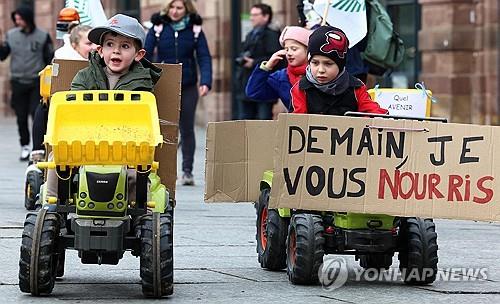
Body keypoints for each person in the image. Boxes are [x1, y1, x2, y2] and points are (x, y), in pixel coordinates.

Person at [46, 14, 162, 199]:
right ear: (100, 50)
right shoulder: (84, 77)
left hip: (125, 148)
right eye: (110, 45)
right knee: (56, 160)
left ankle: (141, 214)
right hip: (85, 143)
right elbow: (72, 111)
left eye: (124, 46)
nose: (116, 51)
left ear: (138, 54)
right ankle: (52, 204)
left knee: (136, 173)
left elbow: (139, 119)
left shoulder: (142, 82)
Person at [145, 0, 212, 186]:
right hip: (164, 84)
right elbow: (146, 54)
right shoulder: (158, 27)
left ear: (186, 9)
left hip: (188, 84)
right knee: (164, 127)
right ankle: (161, 169)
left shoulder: (195, 30)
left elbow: (204, 57)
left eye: (179, 8)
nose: (175, 11)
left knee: (187, 128)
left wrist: (205, 81)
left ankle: (187, 171)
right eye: (172, 7)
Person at [291, 26, 387, 115]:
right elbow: (296, 121)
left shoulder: (356, 87)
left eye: (328, 64)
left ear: (340, 65)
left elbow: (371, 112)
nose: (320, 70)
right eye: (315, 63)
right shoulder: (300, 89)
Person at [0, 6, 54, 161]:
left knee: (35, 113)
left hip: (36, 81)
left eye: (20, 19)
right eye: (15, 19)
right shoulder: (11, 35)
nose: (17, 22)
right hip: (17, 81)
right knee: (21, 116)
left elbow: (48, 58)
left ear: (28, 18)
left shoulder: (43, 36)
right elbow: (3, 56)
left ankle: (37, 148)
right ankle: (24, 145)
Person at [245, 26, 311, 112]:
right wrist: (267, 66)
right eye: (286, 49)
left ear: (308, 50)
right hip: (294, 124)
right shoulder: (281, 77)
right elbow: (254, 92)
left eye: (294, 49)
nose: (289, 53)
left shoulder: (320, 73)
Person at [235, 3, 282, 120]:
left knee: (263, 123)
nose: (252, 18)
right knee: (244, 124)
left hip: (264, 85)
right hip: (246, 84)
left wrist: (254, 62)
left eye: (255, 15)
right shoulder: (251, 34)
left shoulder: (272, 34)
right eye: (251, 15)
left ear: (266, 16)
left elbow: (276, 58)